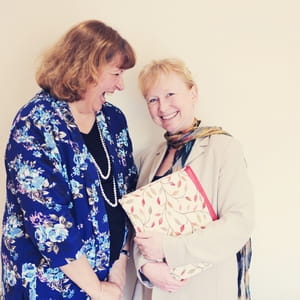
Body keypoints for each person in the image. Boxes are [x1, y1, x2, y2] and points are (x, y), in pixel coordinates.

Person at [1, 20, 138, 300]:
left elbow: (129, 193)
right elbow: (47, 221)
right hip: (48, 287)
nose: (121, 85)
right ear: (88, 69)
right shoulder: (35, 123)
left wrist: (120, 260)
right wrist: (96, 289)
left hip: (107, 282)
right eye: (115, 73)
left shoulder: (113, 120)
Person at [132, 58, 254, 300]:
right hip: (154, 290)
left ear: (193, 93)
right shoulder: (148, 157)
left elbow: (239, 224)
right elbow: (136, 226)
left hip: (204, 288)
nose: (162, 107)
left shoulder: (223, 148)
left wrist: (169, 249)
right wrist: (145, 266)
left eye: (170, 94)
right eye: (152, 99)